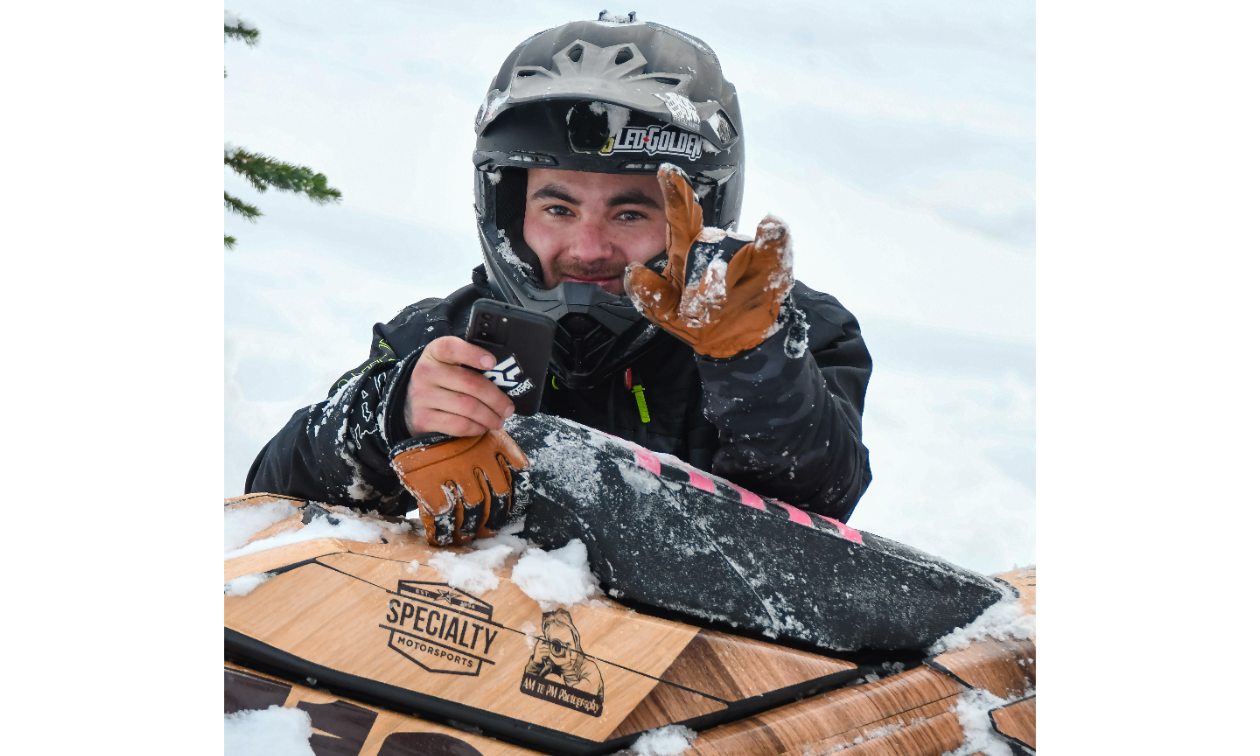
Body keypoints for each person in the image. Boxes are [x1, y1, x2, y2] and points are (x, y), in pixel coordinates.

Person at [246, 15, 873, 545]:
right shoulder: (443, 336)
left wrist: (753, 362)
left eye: (630, 212)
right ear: (509, 212)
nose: (589, 247)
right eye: (558, 208)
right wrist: (390, 414)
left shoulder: (789, 328)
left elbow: (821, 506)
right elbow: (268, 504)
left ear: (697, 216)